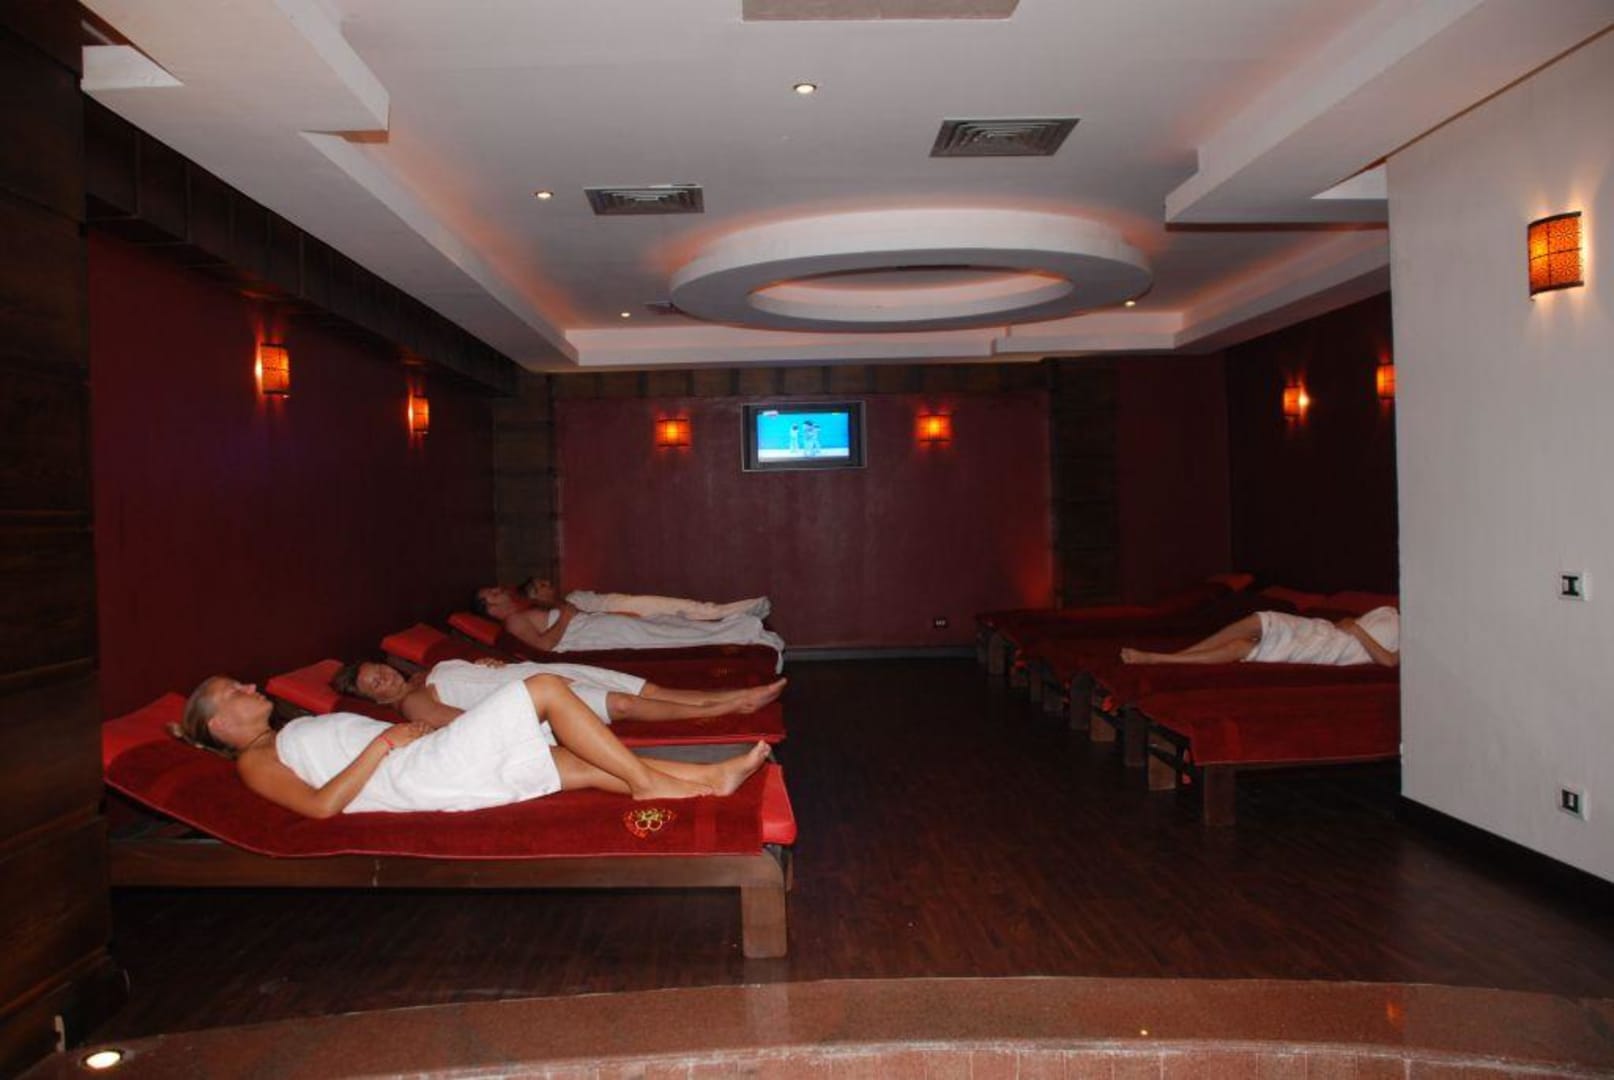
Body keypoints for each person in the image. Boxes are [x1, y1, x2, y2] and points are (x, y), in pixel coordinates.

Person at [175, 672, 771, 819]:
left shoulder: (285, 736)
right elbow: (320, 807)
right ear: (219, 726)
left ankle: (709, 779)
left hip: (423, 759)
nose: (249, 687)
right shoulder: (255, 761)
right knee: (544, 688)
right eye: (234, 692)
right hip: (413, 774)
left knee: (577, 763)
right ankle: (646, 785)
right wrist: (384, 744)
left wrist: (406, 739)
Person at [332, 655, 786, 730]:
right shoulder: (412, 702)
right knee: (625, 705)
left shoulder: (430, 673)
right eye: (375, 684)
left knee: (650, 689)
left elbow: (476, 676)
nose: (384, 679)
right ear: (373, 700)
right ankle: (734, 706)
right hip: (534, 698)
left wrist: (489, 664)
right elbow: (467, 725)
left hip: (542, 671)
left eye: (380, 671)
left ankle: (733, 695)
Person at [477, 587, 785, 668]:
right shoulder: (514, 621)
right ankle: (747, 633)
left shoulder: (522, 613)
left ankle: (746, 630)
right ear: (491, 609)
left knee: (670, 627)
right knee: (672, 636)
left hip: (595, 626)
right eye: (492, 594)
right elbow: (545, 647)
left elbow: (565, 616)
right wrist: (567, 617)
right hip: (593, 634)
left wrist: (570, 612)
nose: (499, 591)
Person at [1120, 606, 1399, 667]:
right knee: (1259, 620)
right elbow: (1348, 624)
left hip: (1328, 650)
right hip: (1323, 630)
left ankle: (1161, 659)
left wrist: (1356, 630)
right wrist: (1349, 624)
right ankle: (1179, 656)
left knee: (1242, 647)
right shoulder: (1390, 611)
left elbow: (1390, 661)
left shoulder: (1414, 633)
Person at [520, 577, 770, 622]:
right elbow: (589, 619)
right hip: (622, 610)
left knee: (686, 608)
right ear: (535, 596)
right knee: (685, 613)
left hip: (626, 603)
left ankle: (748, 609)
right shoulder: (556, 613)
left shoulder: (571, 597)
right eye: (542, 585)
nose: (548, 584)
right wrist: (622, 615)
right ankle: (747, 611)